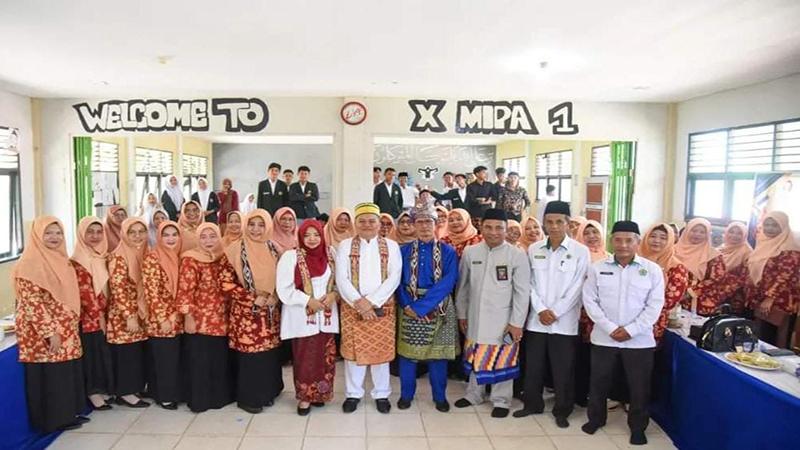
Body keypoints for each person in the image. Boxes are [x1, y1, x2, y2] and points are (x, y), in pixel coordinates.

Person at [581, 220, 665, 446]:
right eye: (618, 239)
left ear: (638, 241)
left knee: (639, 387)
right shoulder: (598, 267)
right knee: (599, 382)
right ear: (611, 240)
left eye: (629, 240)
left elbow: (654, 306)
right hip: (603, 337)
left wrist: (631, 330)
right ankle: (595, 419)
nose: (623, 245)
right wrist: (610, 328)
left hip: (639, 341)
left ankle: (638, 427)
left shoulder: (652, 270)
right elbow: (590, 301)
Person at [514, 201, 590, 428]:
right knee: (533, 366)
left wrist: (555, 311)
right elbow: (529, 284)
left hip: (564, 322)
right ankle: (532, 404)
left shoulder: (580, 251)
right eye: (549, 222)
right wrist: (541, 309)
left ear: (568, 224)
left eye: (559, 222)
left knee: (563, 367)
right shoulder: (535, 249)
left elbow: (578, 287)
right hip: (537, 321)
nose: (554, 226)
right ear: (544, 223)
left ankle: (562, 409)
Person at [13, 216, 87, 432]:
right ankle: (50, 421)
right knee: (49, 376)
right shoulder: (28, 264)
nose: (54, 237)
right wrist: (49, 332)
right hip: (42, 332)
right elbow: (32, 303)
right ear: (37, 235)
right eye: (48, 233)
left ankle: (66, 415)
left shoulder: (61, 259)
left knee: (63, 373)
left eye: (58, 233)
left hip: (66, 327)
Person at [455, 209, 530, 418]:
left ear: (506, 230)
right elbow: (463, 287)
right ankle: (473, 395)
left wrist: (516, 322)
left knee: (503, 358)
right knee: (476, 356)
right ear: (481, 227)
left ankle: (501, 400)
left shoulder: (516, 254)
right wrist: (462, 314)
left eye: (499, 227)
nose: (494, 232)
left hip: (503, 319)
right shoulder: (471, 252)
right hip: (475, 317)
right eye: (489, 227)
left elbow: (522, 292)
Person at [335, 202, 402, 414]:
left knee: (380, 353)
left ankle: (381, 394)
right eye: (362, 221)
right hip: (352, 307)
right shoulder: (345, 245)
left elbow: (394, 277)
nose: (366, 225)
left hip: (381, 307)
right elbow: (341, 277)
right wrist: (359, 302)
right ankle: (353, 394)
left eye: (371, 221)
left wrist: (372, 302)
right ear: (355, 224)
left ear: (378, 223)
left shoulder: (391, 246)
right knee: (353, 355)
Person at [396, 206, 459, 412]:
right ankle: (406, 395)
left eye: (428, 222)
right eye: (420, 222)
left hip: (438, 307)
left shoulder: (448, 251)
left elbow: (448, 282)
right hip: (408, 306)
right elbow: (397, 281)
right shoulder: (403, 251)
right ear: (413, 225)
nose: (424, 226)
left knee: (437, 356)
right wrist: (407, 305)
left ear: (436, 224)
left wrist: (422, 307)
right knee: (408, 355)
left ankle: (439, 397)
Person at [222, 210, 283, 413]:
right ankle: (249, 398)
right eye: (251, 224)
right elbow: (224, 282)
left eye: (260, 224)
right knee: (250, 356)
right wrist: (251, 298)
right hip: (246, 313)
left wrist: (275, 295)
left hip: (271, 311)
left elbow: (285, 277)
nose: (256, 229)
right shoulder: (234, 249)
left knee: (268, 354)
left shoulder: (275, 248)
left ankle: (267, 392)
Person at [277, 220, 340, 415]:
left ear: (322, 235)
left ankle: (320, 394)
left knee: (326, 359)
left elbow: (340, 280)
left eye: (316, 235)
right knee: (305, 358)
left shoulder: (331, 254)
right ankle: (305, 397)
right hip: (303, 316)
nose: (312, 239)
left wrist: (334, 295)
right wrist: (307, 301)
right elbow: (283, 288)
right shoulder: (291, 257)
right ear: (300, 237)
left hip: (327, 317)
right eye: (307, 235)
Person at [176, 223, 233, 412]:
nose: (208, 241)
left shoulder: (223, 256)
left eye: (213, 236)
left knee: (218, 361)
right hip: (200, 320)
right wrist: (188, 317)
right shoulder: (190, 260)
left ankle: (218, 398)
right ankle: (200, 400)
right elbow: (184, 291)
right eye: (204, 237)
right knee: (200, 362)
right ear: (197, 239)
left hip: (221, 319)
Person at [71, 217, 114, 410]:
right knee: (92, 357)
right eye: (90, 232)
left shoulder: (102, 256)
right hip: (90, 318)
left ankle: (103, 389)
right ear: (81, 234)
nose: (95, 236)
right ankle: (93, 393)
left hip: (105, 314)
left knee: (102, 354)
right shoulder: (78, 261)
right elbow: (85, 293)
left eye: (99, 232)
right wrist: (99, 316)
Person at [107, 217, 151, 408]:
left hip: (141, 310)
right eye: (132, 232)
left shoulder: (144, 252)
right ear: (124, 234)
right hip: (124, 315)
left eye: (141, 231)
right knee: (126, 355)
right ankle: (125, 393)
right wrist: (130, 316)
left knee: (137, 354)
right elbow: (118, 289)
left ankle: (134, 388)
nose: (137, 236)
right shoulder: (118, 256)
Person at [142, 221, 183, 410]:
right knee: (164, 359)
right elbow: (152, 292)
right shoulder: (153, 258)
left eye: (174, 234)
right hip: (161, 320)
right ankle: (165, 396)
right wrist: (163, 318)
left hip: (176, 317)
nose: (171, 238)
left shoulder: (177, 256)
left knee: (172, 358)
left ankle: (165, 392)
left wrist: (175, 315)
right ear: (159, 237)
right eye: (166, 235)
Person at [746, 211, 800, 348]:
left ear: (784, 226)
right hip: (761, 296)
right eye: (767, 224)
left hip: (779, 301)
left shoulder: (790, 248)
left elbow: (785, 276)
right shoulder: (763, 244)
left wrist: (770, 298)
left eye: (775, 225)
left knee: (775, 340)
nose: (770, 228)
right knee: (760, 336)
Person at [573, 219, 611, 408]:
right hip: (577, 314)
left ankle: (594, 395)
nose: (591, 237)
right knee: (577, 356)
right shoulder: (575, 256)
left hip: (601, 317)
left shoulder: (610, 257)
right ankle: (578, 393)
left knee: (596, 357)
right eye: (586, 233)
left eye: (595, 232)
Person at [638, 224, 689, 342]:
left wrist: (641, 310)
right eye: (653, 236)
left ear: (671, 240)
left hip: (653, 320)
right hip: (624, 316)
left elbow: (670, 300)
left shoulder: (676, 267)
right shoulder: (635, 260)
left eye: (663, 238)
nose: (657, 241)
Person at [675, 218, 726, 316]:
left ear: (707, 235)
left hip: (701, 301)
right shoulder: (673, 250)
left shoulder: (714, 255)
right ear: (687, 231)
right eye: (694, 230)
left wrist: (690, 292)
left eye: (702, 232)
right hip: (674, 296)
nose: (697, 234)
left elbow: (717, 278)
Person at [715, 222, 754, 315]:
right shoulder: (720, 249)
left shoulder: (747, 252)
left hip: (734, 297)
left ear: (744, 235)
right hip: (715, 292)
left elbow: (745, 278)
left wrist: (723, 290)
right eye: (731, 232)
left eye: (739, 233)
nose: (734, 236)